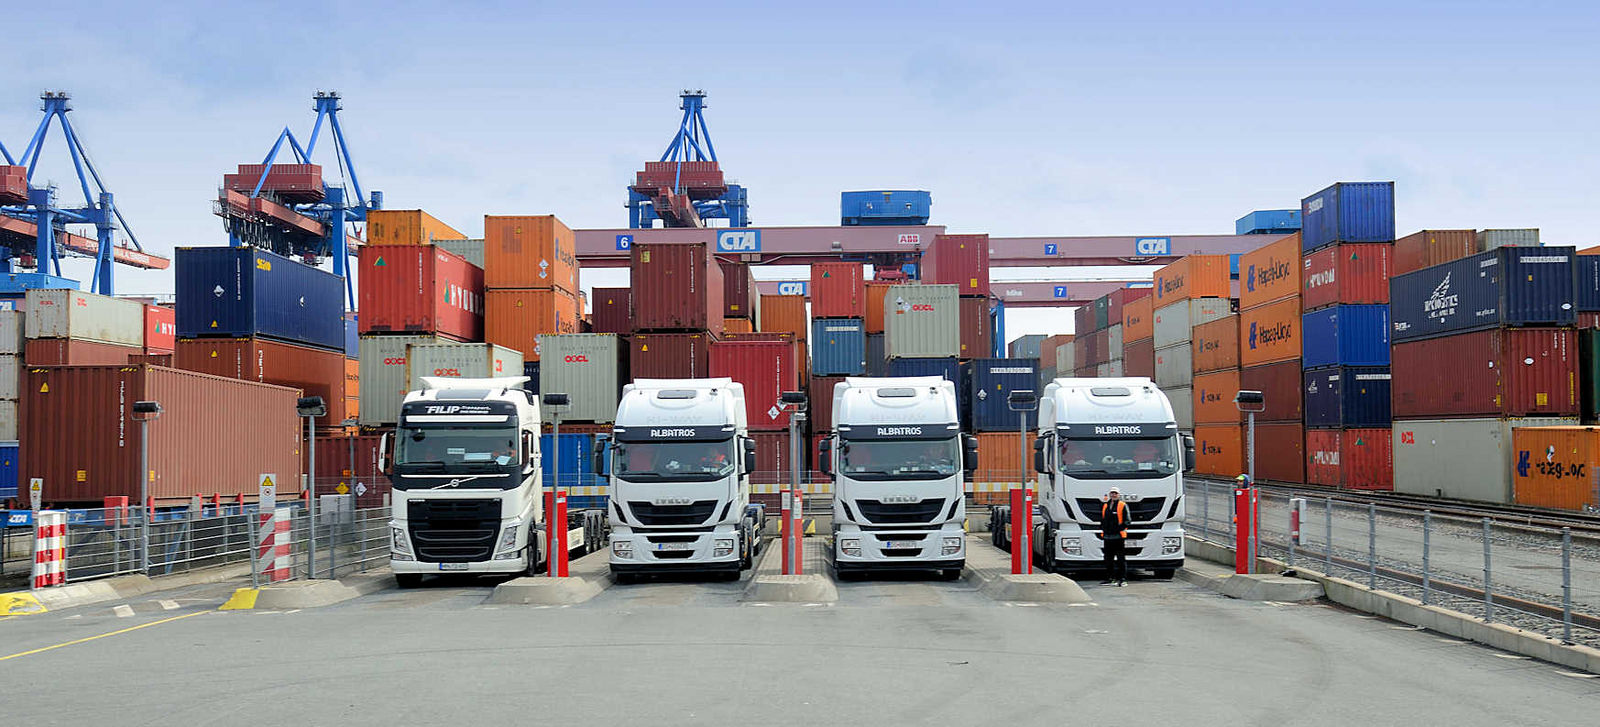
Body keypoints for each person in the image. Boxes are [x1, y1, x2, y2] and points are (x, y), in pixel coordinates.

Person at [1099, 486, 1130, 586]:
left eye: (1115, 493)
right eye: (1112, 493)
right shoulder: (1105, 506)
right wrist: (1104, 529)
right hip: (1107, 536)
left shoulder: (1122, 505)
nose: (1113, 495)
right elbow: (1103, 519)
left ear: (1118, 495)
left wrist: (1119, 529)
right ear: (1109, 494)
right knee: (1108, 559)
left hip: (1118, 537)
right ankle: (1110, 579)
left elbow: (1127, 521)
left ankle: (1123, 579)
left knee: (1121, 559)